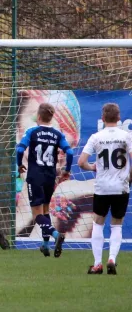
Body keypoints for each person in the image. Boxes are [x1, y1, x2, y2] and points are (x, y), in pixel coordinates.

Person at [78, 103, 131, 275]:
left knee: (98, 223)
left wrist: (92, 167)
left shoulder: (96, 137)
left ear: (103, 118)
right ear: (118, 118)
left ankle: (97, 263)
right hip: (121, 186)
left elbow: (81, 162)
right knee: (117, 224)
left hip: (102, 188)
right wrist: (130, 177)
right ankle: (112, 259)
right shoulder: (126, 136)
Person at [16, 102, 71, 257]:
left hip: (35, 176)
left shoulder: (32, 131)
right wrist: (66, 170)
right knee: (46, 209)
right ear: (52, 117)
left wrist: (19, 164)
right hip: (50, 177)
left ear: (38, 117)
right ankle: (46, 245)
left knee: (37, 214)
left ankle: (55, 235)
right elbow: (70, 152)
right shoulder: (58, 134)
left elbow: (20, 149)